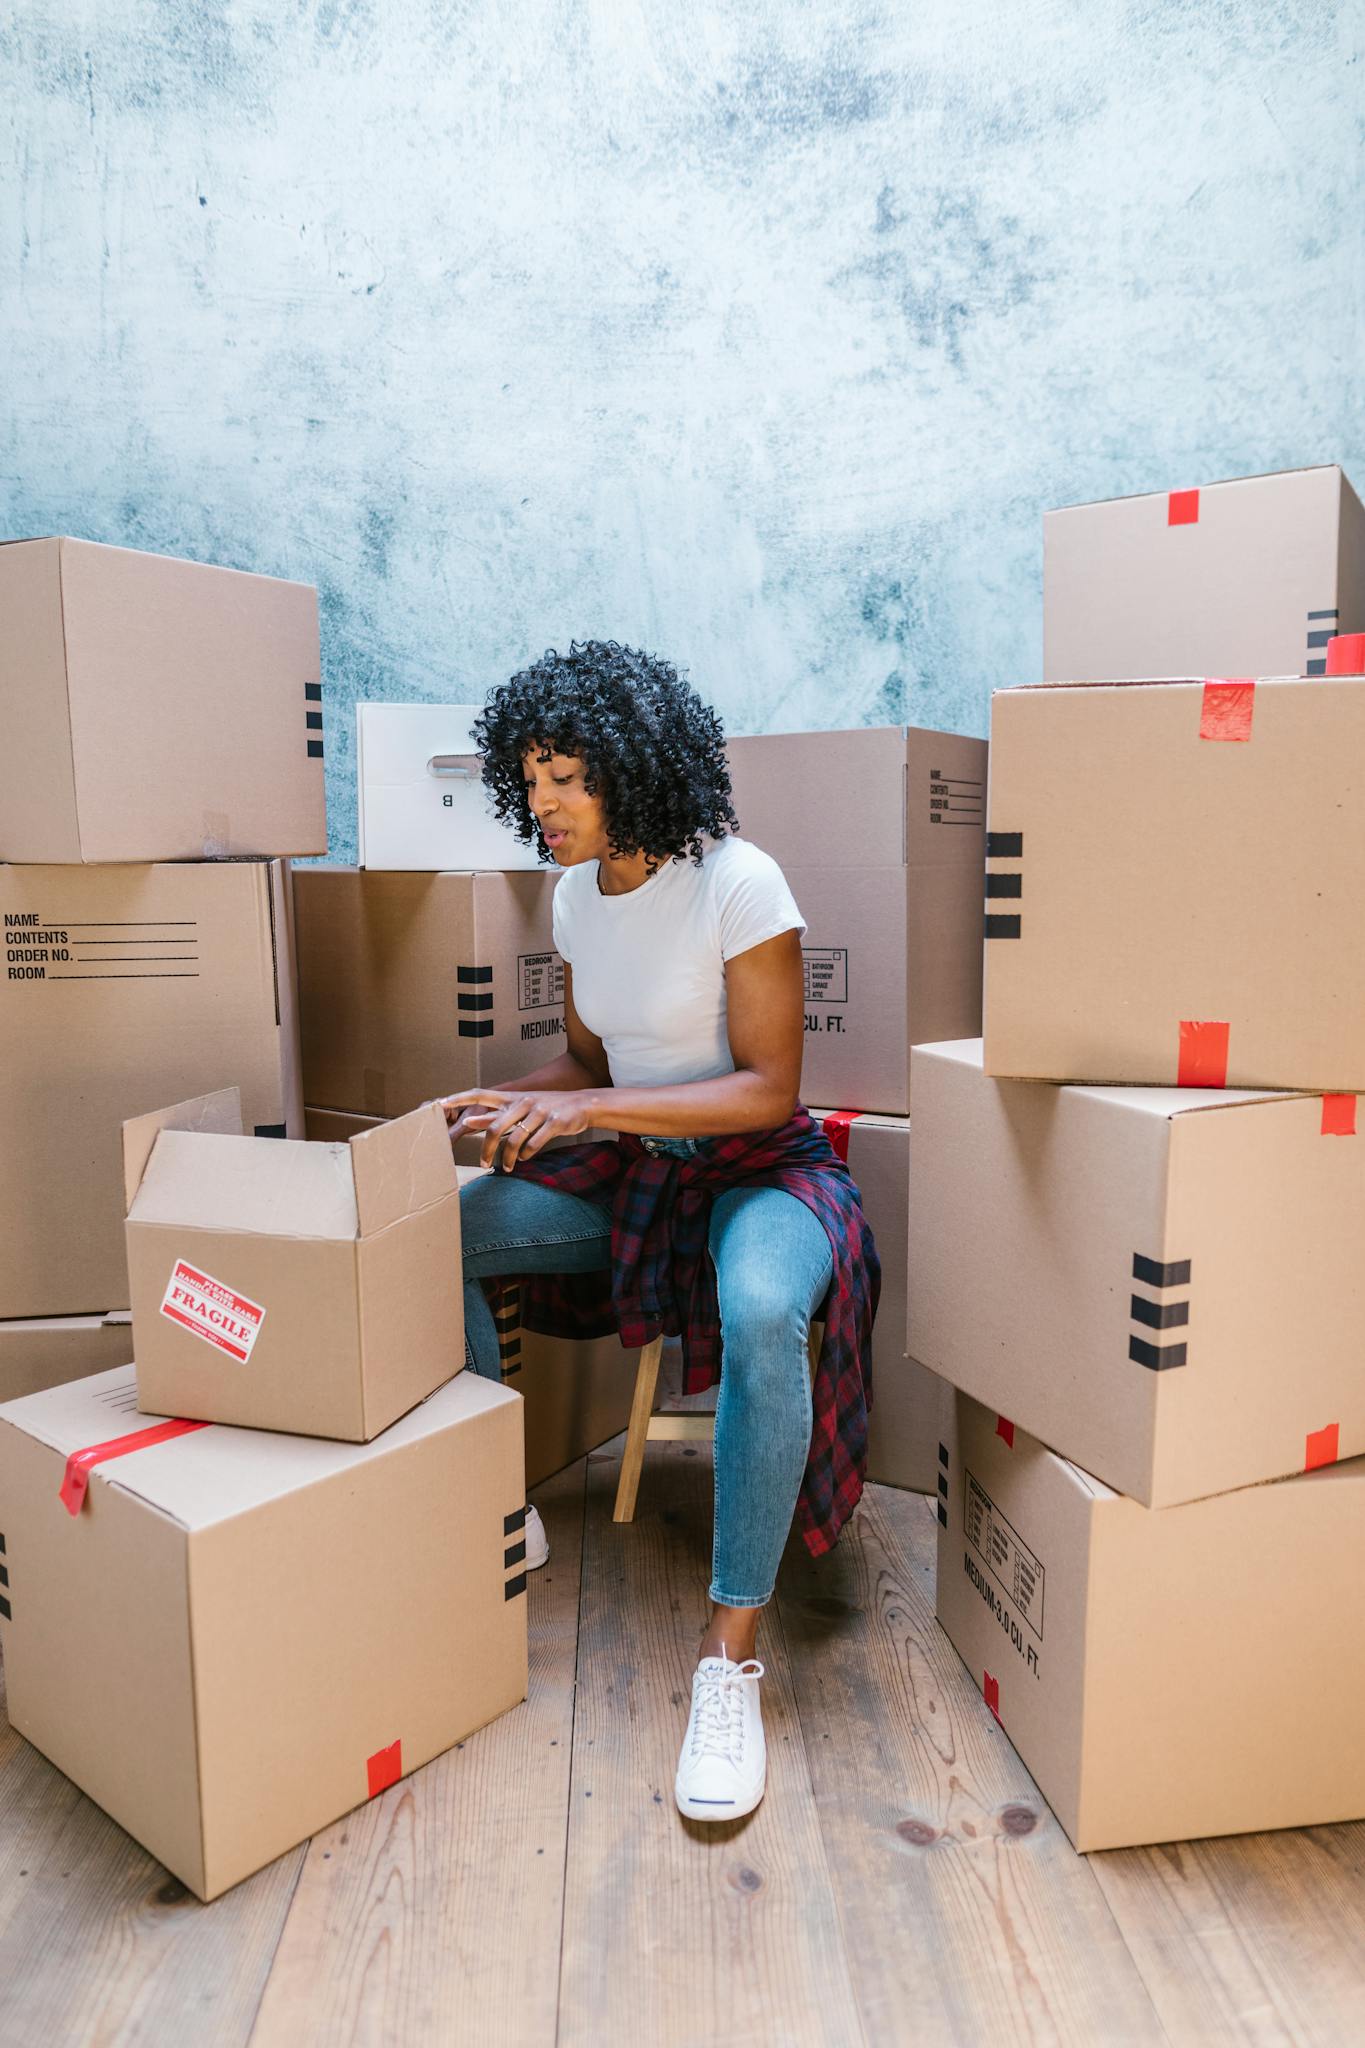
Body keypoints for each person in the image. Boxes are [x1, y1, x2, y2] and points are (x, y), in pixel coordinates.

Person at [441, 640, 878, 1822]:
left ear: (632, 770)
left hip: (759, 1171)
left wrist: (581, 1105)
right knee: (443, 1229)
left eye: (567, 778)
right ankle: (505, 1514)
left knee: (760, 1307)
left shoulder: (742, 883)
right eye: (529, 781)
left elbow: (766, 1090)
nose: (544, 806)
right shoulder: (576, 897)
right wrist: (505, 1101)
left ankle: (730, 1658)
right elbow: (588, 1060)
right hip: (637, 1170)